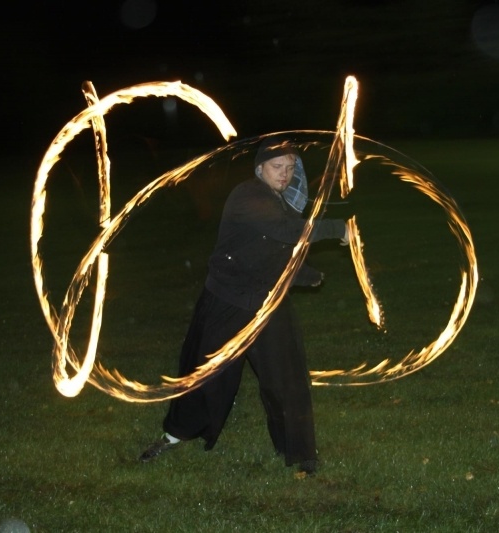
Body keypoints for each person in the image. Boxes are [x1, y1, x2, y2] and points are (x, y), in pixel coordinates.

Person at [139, 136, 348, 475]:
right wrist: (338, 228)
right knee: (205, 375)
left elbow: (273, 252)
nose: (284, 174)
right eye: (277, 167)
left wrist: (306, 275)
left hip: (268, 305)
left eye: (290, 168)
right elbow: (283, 231)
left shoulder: (280, 202)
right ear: (260, 168)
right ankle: (175, 434)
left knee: (286, 379)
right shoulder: (246, 196)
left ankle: (300, 451)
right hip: (228, 301)